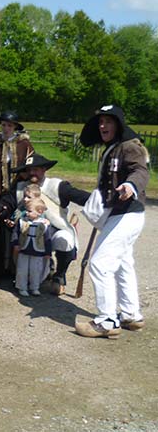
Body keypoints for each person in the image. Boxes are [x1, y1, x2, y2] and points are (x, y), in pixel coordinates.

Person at [74, 105, 150, 338]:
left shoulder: (130, 146)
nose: (102, 126)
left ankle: (107, 321)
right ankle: (131, 314)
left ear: (118, 124)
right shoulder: (113, 147)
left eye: (108, 121)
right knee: (123, 263)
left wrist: (130, 185)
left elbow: (140, 171)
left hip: (128, 213)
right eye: (100, 122)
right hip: (119, 214)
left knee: (100, 264)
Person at [0, 153, 89, 295]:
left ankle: (59, 277)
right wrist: (1, 206)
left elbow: (78, 196)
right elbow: (8, 200)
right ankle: (25, 276)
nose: (32, 172)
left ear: (44, 170)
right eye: (29, 169)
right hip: (29, 231)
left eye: (36, 169)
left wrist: (98, 199)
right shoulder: (21, 188)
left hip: (55, 230)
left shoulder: (57, 186)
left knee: (65, 240)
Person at [0, 111, 33, 275]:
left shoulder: (23, 145)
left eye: (9, 125)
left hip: (16, 190)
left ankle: (13, 268)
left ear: (15, 127)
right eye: (3, 125)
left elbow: (30, 165)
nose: (6, 128)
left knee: (14, 226)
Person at [11, 197, 52, 297]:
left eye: (29, 211)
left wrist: (48, 253)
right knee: (22, 270)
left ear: (40, 211)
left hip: (38, 252)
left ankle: (34, 287)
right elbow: (16, 233)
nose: (27, 213)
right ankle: (22, 287)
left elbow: (47, 239)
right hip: (23, 250)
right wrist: (15, 243)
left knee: (36, 270)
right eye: (26, 210)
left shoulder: (44, 224)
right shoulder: (22, 221)